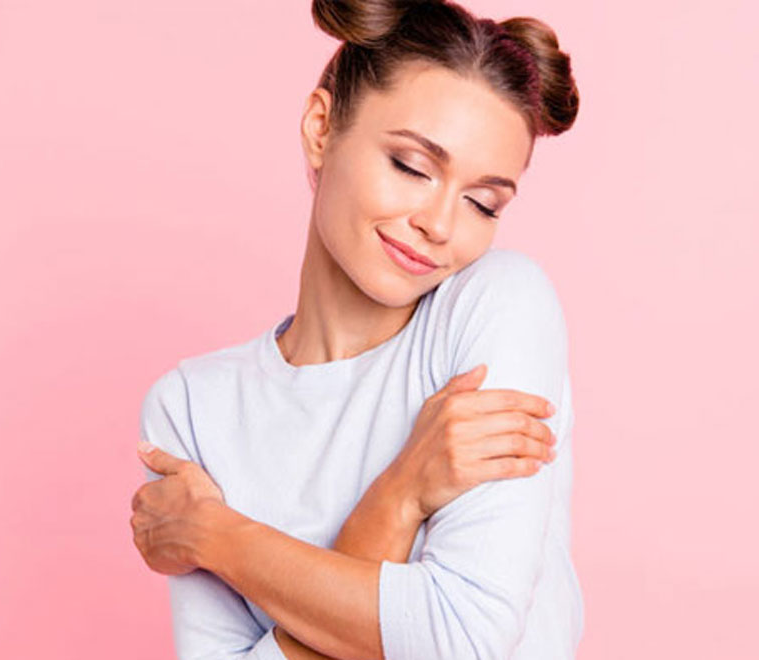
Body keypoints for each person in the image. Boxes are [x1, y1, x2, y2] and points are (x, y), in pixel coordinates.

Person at [129, 0, 582, 658]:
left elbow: (464, 640)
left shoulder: (496, 307)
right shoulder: (194, 407)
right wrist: (399, 499)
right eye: (412, 167)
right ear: (321, 129)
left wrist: (214, 536)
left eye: (483, 203)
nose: (440, 225)